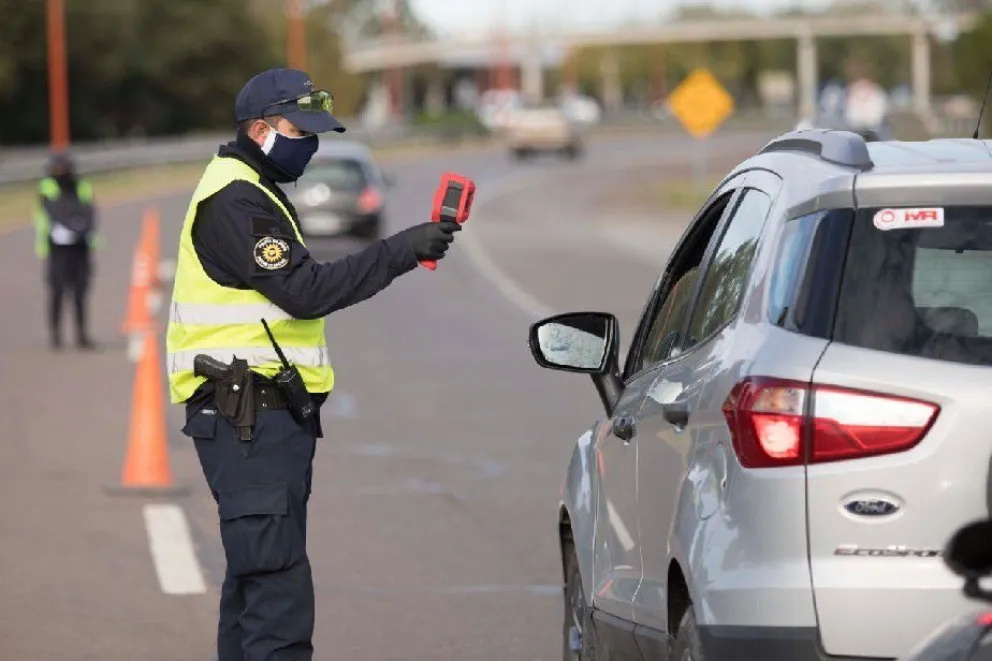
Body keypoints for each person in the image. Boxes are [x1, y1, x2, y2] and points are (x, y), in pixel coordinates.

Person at [164, 68, 462, 661]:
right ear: (259, 128)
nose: (312, 143)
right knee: (277, 595)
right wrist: (401, 249)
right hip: (247, 417)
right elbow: (305, 292)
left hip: (258, 418)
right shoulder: (236, 200)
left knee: (255, 584)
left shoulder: (252, 188)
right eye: (301, 131)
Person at [33, 152, 101, 350]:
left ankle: (82, 335)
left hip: (81, 247)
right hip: (57, 249)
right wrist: (75, 223)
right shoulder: (47, 188)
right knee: (57, 292)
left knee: (80, 292)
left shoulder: (82, 186)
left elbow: (90, 212)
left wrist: (81, 228)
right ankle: (56, 336)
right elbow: (53, 212)